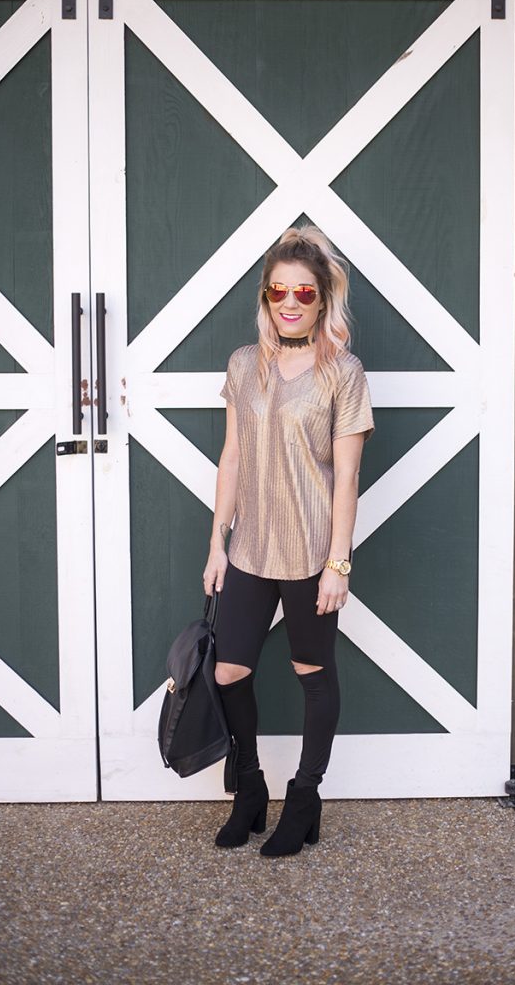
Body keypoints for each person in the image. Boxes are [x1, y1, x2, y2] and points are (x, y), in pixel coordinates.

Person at [202, 224, 374, 857]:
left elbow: (347, 476)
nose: (292, 302)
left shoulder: (343, 373)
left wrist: (338, 564)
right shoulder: (245, 365)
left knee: (312, 674)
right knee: (227, 671)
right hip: (250, 548)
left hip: (309, 554)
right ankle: (250, 790)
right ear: (267, 298)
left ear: (323, 299)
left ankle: (304, 799)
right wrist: (217, 544)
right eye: (280, 291)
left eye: (305, 291)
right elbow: (231, 459)